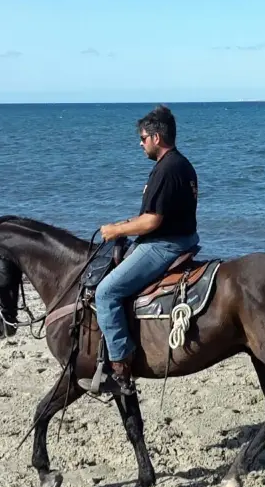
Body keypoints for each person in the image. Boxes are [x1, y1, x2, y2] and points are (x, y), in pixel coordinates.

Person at [79, 104, 200, 396]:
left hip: (165, 245)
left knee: (106, 292)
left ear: (157, 138)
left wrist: (116, 230)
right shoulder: (179, 164)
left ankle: (120, 369)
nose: (141, 143)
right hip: (177, 237)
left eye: (143, 138)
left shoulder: (167, 169)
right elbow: (155, 215)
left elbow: (154, 220)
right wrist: (126, 224)